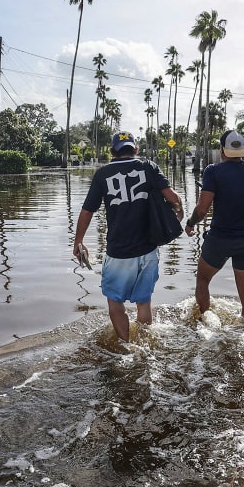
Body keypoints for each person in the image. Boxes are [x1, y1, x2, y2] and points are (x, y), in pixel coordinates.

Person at [74, 131, 185, 343]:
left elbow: (87, 211)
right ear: (135, 149)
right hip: (148, 249)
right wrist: (178, 213)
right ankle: (144, 346)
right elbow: (172, 197)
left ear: (113, 151)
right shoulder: (148, 167)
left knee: (116, 304)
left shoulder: (103, 174)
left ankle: (127, 347)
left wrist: (78, 240)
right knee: (144, 303)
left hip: (119, 252)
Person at [184, 130, 244, 321]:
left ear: (222, 150)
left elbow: (202, 210)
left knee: (203, 280)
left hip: (219, 239)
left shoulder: (213, 171)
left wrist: (190, 223)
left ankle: (205, 323)